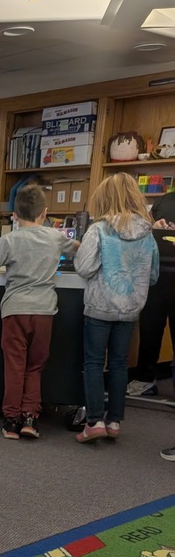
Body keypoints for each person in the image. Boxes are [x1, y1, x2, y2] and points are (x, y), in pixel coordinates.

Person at [0, 184, 78, 440]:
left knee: (14, 366)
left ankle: (11, 420)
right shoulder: (55, 237)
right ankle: (30, 418)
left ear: (15, 215)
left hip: (14, 310)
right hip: (44, 311)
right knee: (35, 366)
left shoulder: (9, 239)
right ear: (45, 213)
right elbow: (79, 248)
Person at [74, 173, 159, 443]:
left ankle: (94, 421)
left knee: (94, 363)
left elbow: (84, 267)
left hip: (100, 307)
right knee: (120, 365)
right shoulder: (148, 232)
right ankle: (114, 421)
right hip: (130, 309)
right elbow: (153, 275)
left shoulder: (98, 229)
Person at [128, 191, 175, 396]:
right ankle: (145, 379)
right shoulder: (164, 200)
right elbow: (145, 229)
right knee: (149, 332)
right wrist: (154, 226)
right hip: (156, 279)